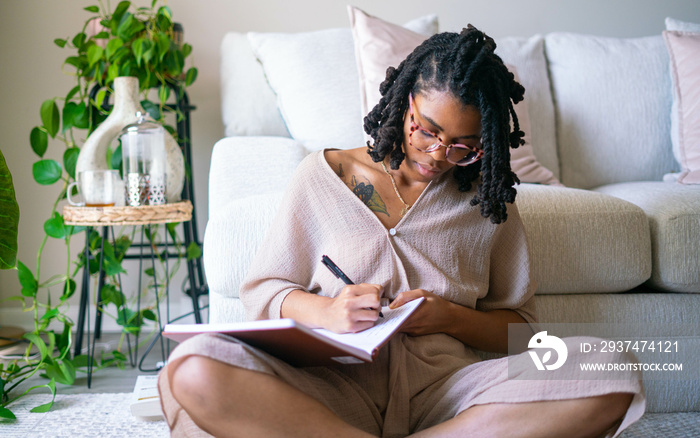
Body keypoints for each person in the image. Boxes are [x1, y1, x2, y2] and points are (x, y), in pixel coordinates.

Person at [158, 25, 645, 437]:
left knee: (609, 368)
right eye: (427, 130)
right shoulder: (323, 176)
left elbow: (521, 330)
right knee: (193, 368)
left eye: (463, 147)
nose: (437, 155)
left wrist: (447, 317)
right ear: (406, 102)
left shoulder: (486, 202)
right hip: (333, 389)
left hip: (448, 396)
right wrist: (328, 311)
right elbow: (264, 291)